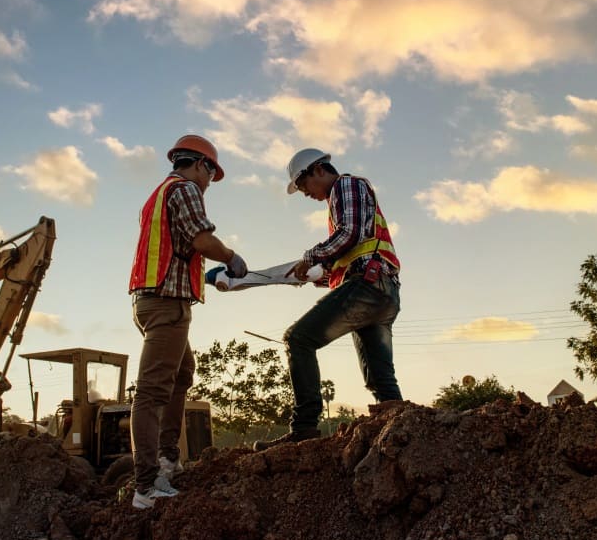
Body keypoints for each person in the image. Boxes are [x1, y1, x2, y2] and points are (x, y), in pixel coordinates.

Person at [254, 148, 402, 451]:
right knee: (380, 379)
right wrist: (319, 276)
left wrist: (309, 257)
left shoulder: (345, 186)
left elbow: (350, 234)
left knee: (298, 339)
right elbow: (353, 249)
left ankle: (305, 427)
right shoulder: (344, 197)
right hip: (379, 291)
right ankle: (404, 432)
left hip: (369, 287)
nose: (305, 193)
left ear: (318, 170)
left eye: (303, 184)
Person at [128, 134, 248, 508]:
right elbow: (201, 239)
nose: (210, 182)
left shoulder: (160, 194)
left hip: (153, 299)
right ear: (200, 165)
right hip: (167, 305)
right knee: (152, 391)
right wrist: (230, 257)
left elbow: (179, 249)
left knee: (182, 374)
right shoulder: (185, 190)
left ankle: (167, 460)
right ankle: (147, 486)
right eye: (211, 173)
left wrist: (207, 275)